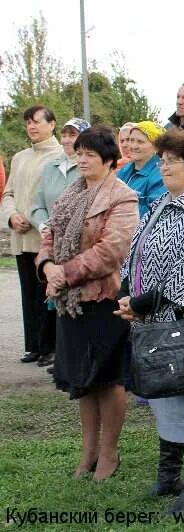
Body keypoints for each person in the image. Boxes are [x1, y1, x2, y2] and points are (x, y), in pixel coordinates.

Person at [116, 129, 184, 515]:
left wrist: (141, 304)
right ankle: (168, 477)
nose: (162, 166)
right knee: (165, 397)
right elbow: (136, 252)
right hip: (152, 320)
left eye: (170, 160)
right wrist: (125, 293)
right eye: (161, 160)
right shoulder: (161, 202)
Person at [36, 126, 139, 480]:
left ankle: (109, 453)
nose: (81, 159)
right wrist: (48, 266)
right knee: (82, 380)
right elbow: (48, 232)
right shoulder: (70, 194)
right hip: (70, 302)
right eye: (78, 153)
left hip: (103, 301)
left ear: (109, 160)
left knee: (107, 379)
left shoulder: (123, 197)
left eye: (89, 154)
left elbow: (110, 252)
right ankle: (88, 451)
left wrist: (62, 273)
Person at [1, 105, 64, 366]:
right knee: (29, 292)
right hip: (20, 236)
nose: (32, 126)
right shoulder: (20, 157)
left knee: (47, 293)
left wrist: (36, 220)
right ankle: (34, 346)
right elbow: (8, 193)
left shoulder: (61, 156)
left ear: (52, 124)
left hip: (45, 237)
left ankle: (51, 347)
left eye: (37, 121)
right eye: (28, 122)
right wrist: (11, 215)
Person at [30, 117, 91, 370]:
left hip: (78, 244)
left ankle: (74, 355)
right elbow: (38, 204)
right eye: (64, 135)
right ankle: (60, 354)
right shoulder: (50, 167)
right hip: (51, 240)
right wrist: (44, 225)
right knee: (55, 297)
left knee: (75, 297)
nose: (67, 140)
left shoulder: (87, 167)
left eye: (73, 135)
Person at [116, 121, 168, 217]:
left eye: (140, 142)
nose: (133, 146)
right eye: (131, 140)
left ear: (156, 147)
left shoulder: (162, 174)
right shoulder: (124, 170)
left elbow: (153, 212)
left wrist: (118, 209)